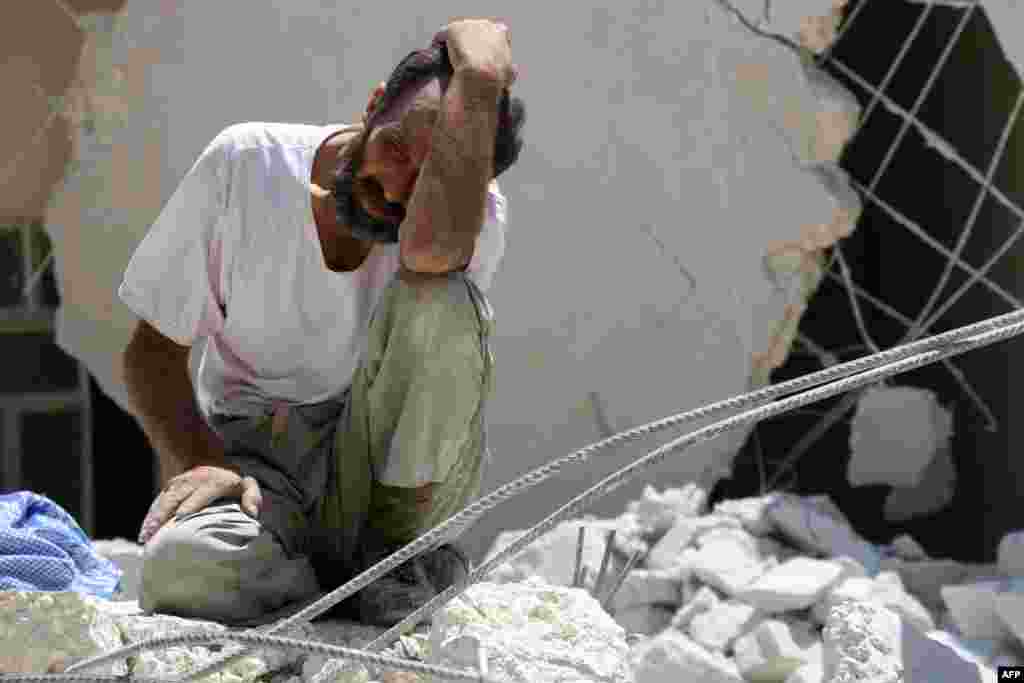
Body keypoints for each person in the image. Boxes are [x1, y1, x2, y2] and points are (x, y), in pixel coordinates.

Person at [118, 18, 525, 627]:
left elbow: (429, 253)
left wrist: (482, 74)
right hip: (260, 466)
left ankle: (390, 561)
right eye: (392, 147)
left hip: (387, 483)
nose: (393, 187)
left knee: (440, 302)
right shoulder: (246, 166)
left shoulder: (470, 221)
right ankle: (343, 580)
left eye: (426, 178)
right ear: (370, 107)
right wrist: (205, 460)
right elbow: (149, 353)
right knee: (179, 566)